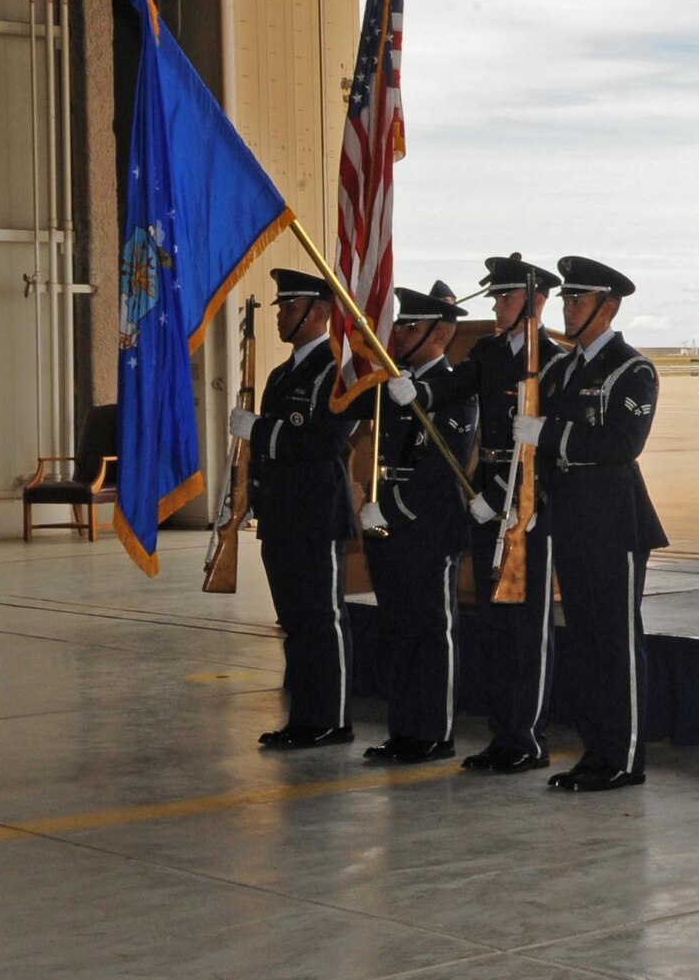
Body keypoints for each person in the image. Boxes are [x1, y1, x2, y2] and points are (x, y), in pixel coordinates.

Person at [513, 256, 667, 792]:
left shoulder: (633, 369)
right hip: (571, 521)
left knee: (616, 644)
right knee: (583, 645)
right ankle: (595, 751)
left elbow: (622, 444)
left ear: (609, 307)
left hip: (614, 524)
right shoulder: (559, 369)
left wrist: (549, 433)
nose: (569, 308)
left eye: (579, 300)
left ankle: (624, 757)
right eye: (566, 299)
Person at [416, 254, 570, 774]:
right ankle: (503, 733)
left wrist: (506, 494)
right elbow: (453, 386)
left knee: (527, 627)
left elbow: (549, 451)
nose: (499, 305)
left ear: (537, 301)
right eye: (497, 297)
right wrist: (417, 390)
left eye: (507, 297)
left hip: (528, 506)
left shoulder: (553, 360)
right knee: (495, 626)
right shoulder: (487, 352)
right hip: (488, 504)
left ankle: (528, 737)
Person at [237, 268, 358, 747]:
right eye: (281, 307)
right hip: (282, 516)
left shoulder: (335, 371)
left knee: (322, 620)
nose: (280, 315)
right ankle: (306, 716)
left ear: (320, 313)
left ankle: (332, 719)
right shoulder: (281, 373)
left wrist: (261, 430)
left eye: (289, 307)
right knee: (295, 622)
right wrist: (250, 497)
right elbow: (270, 454)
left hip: (317, 513)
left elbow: (326, 441)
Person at [359, 282, 479, 763]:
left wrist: (393, 507)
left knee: (431, 630)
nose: (400, 332)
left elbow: (442, 465)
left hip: (427, 524)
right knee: (399, 629)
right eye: (401, 324)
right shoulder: (396, 385)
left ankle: (433, 732)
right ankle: (404, 729)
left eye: (410, 325)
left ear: (440, 334)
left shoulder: (451, 390)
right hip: (388, 519)